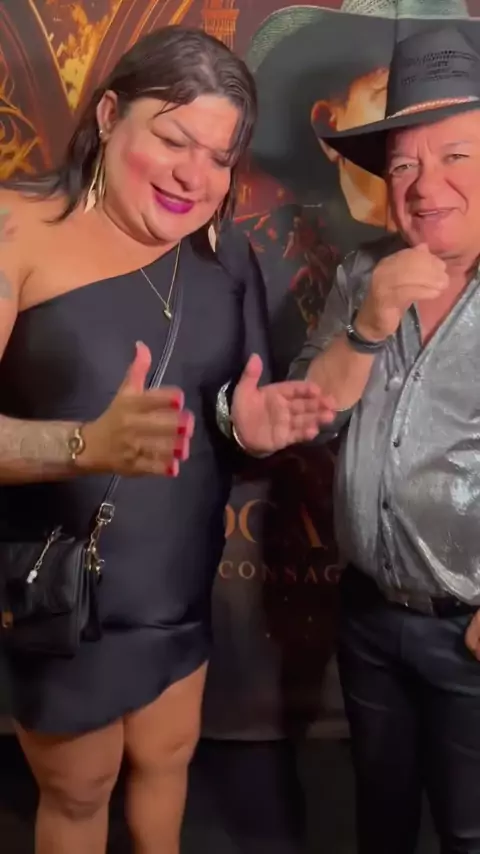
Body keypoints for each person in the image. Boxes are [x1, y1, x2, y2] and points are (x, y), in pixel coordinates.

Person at [0, 26, 337, 854]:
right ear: (109, 114)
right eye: (175, 139)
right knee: (79, 789)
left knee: (168, 760)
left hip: (175, 586)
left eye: (220, 157)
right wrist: (85, 445)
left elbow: (229, 417)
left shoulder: (227, 258)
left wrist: (245, 425)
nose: (195, 176)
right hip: (66, 595)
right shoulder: (15, 229)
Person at [291, 24, 480, 854]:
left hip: (470, 632)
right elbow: (313, 413)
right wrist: (367, 325)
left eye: (456, 156)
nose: (426, 185)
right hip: (369, 618)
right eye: (404, 165)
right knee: (381, 823)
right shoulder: (362, 273)